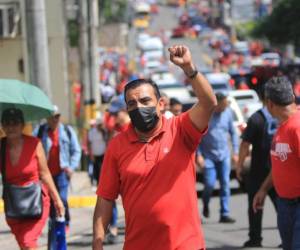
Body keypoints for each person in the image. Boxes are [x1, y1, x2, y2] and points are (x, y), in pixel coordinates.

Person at [93, 45, 217, 250]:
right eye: (132, 104)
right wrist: (97, 243)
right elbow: (105, 198)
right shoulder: (117, 145)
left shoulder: (180, 129)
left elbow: (208, 103)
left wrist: (189, 68)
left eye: (145, 101)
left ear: (161, 104)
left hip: (185, 244)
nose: (139, 107)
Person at [0, 108, 64, 250]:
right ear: (2, 126)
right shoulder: (1, 147)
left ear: (22, 125)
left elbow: (45, 174)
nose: (11, 127)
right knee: (25, 244)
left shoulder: (34, 144)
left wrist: (57, 200)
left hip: (36, 203)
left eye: (15, 123)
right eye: (7, 123)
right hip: (13, 207)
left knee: (28, 242)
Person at [253, 76, 300, 250]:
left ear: (269, 104)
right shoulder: (283, 126)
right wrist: (264, 189)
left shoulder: (296, 127)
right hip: (286, 206)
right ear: (292, 98)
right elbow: (282, 164)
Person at [33, 105, 81, 247]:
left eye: (57, 116)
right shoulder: (40, 131)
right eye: (52, 116)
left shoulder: (67, 131)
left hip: (61, 172)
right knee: (49, 204)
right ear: (47, 118)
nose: (54, 119)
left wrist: (71, 167)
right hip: (45, 174)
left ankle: (64, 221)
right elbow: (32, 148)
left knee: (62, 199)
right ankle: (54, 225)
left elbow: (76, 150)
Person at [236, 88, 278, 247]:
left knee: (259, 205)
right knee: (277, 206)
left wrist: (239, 165)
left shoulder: (256, 119)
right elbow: (245, 144)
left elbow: (245, 145)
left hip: (263, 170)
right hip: (270, 170)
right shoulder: (274, 118)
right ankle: (283, 237)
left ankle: (256, 238)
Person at [197, 92, 238, 223]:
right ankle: (206, 204)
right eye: (224, 105)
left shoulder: (228, 114)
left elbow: (233, 133)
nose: (225, 107)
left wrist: (235, 152)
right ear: (217, 103)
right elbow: (196, 136)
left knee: (225, 183)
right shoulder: (206, 115)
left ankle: (224, 213)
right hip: (208, 156)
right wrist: (198, 156)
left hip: (224, 155)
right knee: (209, 184)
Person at [88, 116, 107, 186]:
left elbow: (107, 142)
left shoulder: (105, 132)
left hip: (103, 154)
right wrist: (91, 154)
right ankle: (98, 184)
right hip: (95, 155)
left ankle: (101, 184)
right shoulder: (92, 132)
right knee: (96, 170)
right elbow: (89, 143)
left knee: (102, 170)